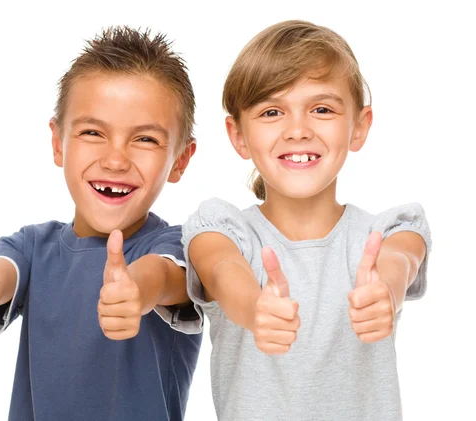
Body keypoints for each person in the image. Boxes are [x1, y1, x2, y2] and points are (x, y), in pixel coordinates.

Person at [0, 26, 202, 421]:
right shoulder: (33, 248)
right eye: (93, 132)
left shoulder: (178, 246)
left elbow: (165, 278)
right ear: (58, 143)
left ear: (180, 160)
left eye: (145, 139)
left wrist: (136, 290)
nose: (115, 160)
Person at [183, 20, 431, 421]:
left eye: (321, 109)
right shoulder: (224, 231)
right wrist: (254, 308)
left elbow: (401, 259)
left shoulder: (385, 233)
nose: (298, 130)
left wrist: (385, 290)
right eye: (272, 111)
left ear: (360, 126)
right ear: (238, 135)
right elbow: (221, 269)